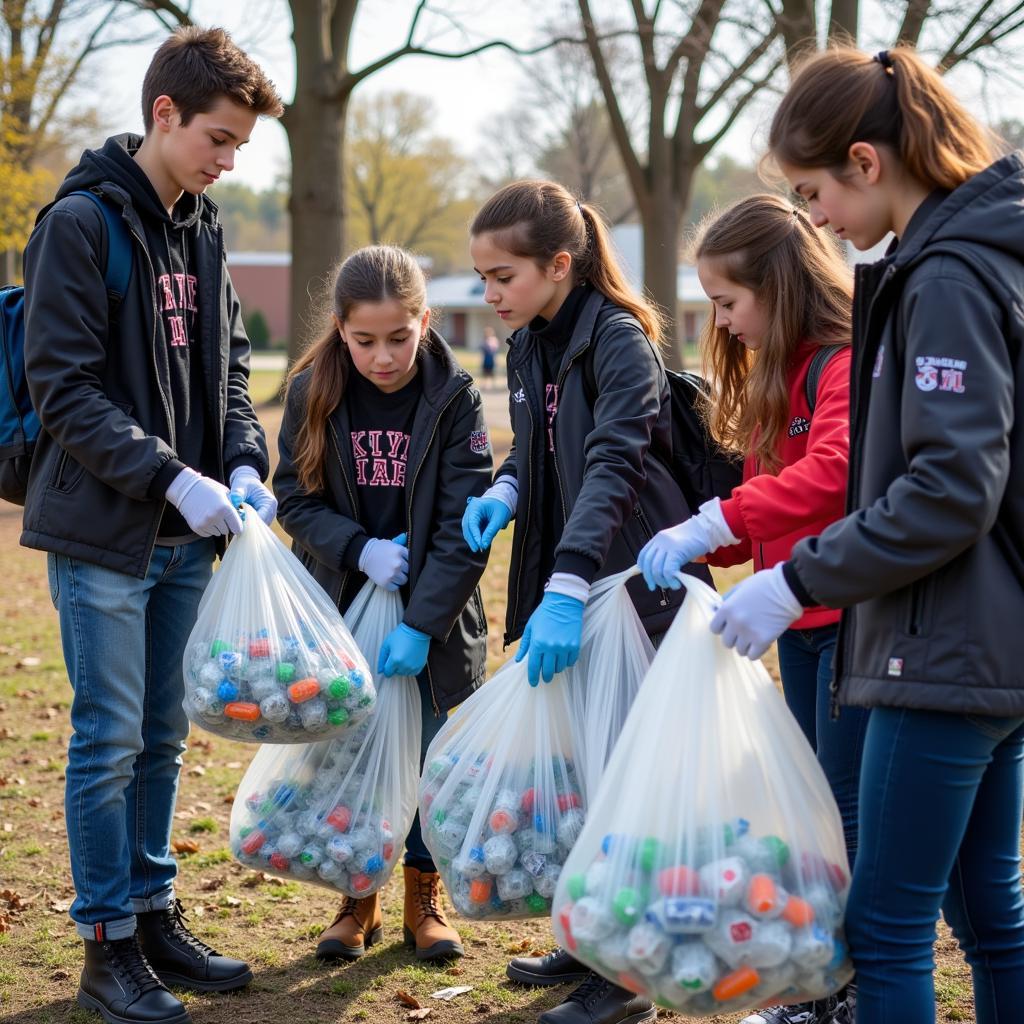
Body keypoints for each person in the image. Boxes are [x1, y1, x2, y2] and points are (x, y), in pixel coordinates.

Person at [710, 46, 1024, 1024]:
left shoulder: (947, 277)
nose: (815, 220)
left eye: (813, 193)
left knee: (885, 930)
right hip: (986, 646)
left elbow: (946, 487)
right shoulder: (969, 257)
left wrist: (795, 578)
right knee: (990, 916)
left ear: (864, 160)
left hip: (940, 651)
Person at [20, 26, 282, 1024]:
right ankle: (105, 943)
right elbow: (65, 393)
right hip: (103, 538)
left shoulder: (204, 226)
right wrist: (175, 478)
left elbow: (232, 365)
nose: (227, 161)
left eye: (240, 149)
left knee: (163, 734)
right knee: (108, 737)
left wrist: (245, 460)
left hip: (187, 537)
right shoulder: (80, 226)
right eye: (218, 140)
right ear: (163, 115)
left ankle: (153, 908)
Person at [462, 179, 711, 1024]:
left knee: (631, 776)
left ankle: (632, 977)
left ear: (559, 264)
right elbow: (537, 450)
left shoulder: (617, 340)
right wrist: (503, 487)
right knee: (587, 774)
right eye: (483, 279)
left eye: (503, 277)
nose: (489, 295)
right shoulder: (532, 342)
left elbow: (615, 462)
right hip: (572, 585)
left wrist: (568, 583)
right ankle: (592, 935)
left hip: (636, 590)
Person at [637, 193, 863, 1024]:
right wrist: (704, 542)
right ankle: (822, 980)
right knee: (809, 807)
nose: (724, 324)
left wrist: (718, 520)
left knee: (839, 814)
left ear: (780, 284)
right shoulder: (781, 370)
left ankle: (849, 988)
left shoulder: (838, 364)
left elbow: (835, 473)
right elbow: (772, 503)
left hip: (846, 622)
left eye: (730, 302)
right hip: (795, 629)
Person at [273, 244, 491, 965]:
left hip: (434, 616)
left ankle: (421, 902)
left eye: (401, 337)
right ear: (340, 327)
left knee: (425, 761)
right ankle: (356, 897)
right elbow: (295, 500)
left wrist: (425, 624)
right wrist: (358, 547)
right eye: (365, 340)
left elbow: (467, 531)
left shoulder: (454, 397)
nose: (385, 356)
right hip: (340, 610)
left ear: (426, 321)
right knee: (350, 758)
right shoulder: (313, 390)